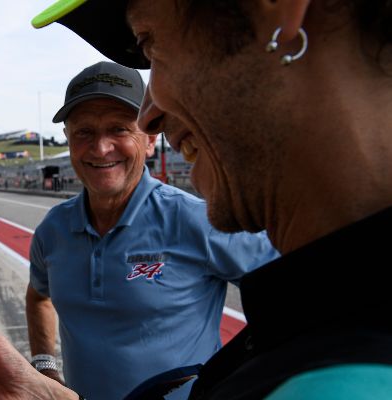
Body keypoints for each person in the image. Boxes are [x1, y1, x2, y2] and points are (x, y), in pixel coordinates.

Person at [0, 0, 392, 398]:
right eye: (83, 133)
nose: (153, 109)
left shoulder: (204, 221)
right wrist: (48, 381)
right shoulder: (325, 326)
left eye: (152, 43)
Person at [25, 61, 277, 400]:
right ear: (69, 140)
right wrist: (44, 365)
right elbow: (38, 295)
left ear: (149, 141)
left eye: (118, 129)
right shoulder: (52, 230)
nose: (101, 148)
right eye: (84, 132)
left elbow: (296, 292)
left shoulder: (198, 219)